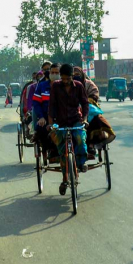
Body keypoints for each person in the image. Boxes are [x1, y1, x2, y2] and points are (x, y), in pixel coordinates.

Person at [48, 64, 89, 196]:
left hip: (75, 119)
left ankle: (81, 163)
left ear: (72, 77)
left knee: (80, 138)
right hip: (60, 122)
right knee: (62, 150)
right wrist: (51, 124)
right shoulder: (55, 86)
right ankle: (65, 179)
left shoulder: (79, 86)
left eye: (68, 78)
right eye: (63, 78)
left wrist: (85, 119)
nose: (65, 81)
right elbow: (51, 105)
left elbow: (85, 103)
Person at [33, 63, 60, 152]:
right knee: (41, 129)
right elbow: (36, 103)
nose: (54, 74)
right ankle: (49, 150)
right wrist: (40, 117)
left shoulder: (65, 86)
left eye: (57, 72)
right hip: (45, 116)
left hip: (62, 117)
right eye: (52, 72)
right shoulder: (42, 86)